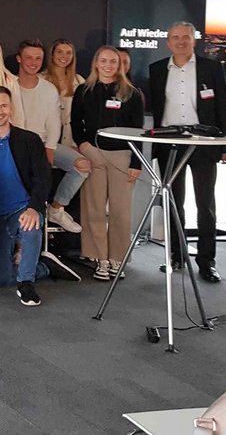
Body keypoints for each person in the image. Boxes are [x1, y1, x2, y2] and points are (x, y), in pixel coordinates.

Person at [148, 21, 226, 283]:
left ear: (194, 40)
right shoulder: (157, 70)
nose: (180, 42)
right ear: (168, 42)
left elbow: (224, 106)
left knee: (205, 203)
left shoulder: (211, 68)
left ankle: (207, 262)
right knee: (174, 203)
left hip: (203, 142)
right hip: (169, 143)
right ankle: (176, 256)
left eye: (185, 37)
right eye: (175, 37)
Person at [0, 87, 51, 306]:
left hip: (23, 209)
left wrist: (34, 207)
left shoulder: (30, 139)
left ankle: (27, 282)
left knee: (31, 227)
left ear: (11, 108)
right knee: (2, 279)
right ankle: (39, 266)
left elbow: (43, 178)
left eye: (4, 105)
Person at [71, 45, 144, 281]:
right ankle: (99, 258)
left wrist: (136, 162)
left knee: (120, 210)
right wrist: (83, 145)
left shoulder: (132, 93)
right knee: (94, 209)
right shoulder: (84, 90)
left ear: (120, 65)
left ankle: (117, 257)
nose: (108, 65)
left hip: (122, 155)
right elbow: (75, 122)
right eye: (103, 61)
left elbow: (138, 131)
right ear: (96, 63)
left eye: (113, 61)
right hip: (94, 153)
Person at [16, 39, 86, 233]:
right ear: (19, 59)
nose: (33, 62)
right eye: (29, 57)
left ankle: (56, 208)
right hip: (18, 144)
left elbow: (54, 123)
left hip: (46, 143)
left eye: (37, 58)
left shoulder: (49, 88)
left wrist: (50, 149)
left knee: (82, 166)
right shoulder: (10, 84)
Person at [42, 39, 91, 234]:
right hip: (45, 142)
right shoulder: (42, 79)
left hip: (70, 142)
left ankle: (56, 208)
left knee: (83, 166)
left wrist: (78, 143)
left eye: (68, 53)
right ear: (52, 55)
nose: (64, 57)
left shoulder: (79, 81)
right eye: (59, 52)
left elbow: (84, 116)